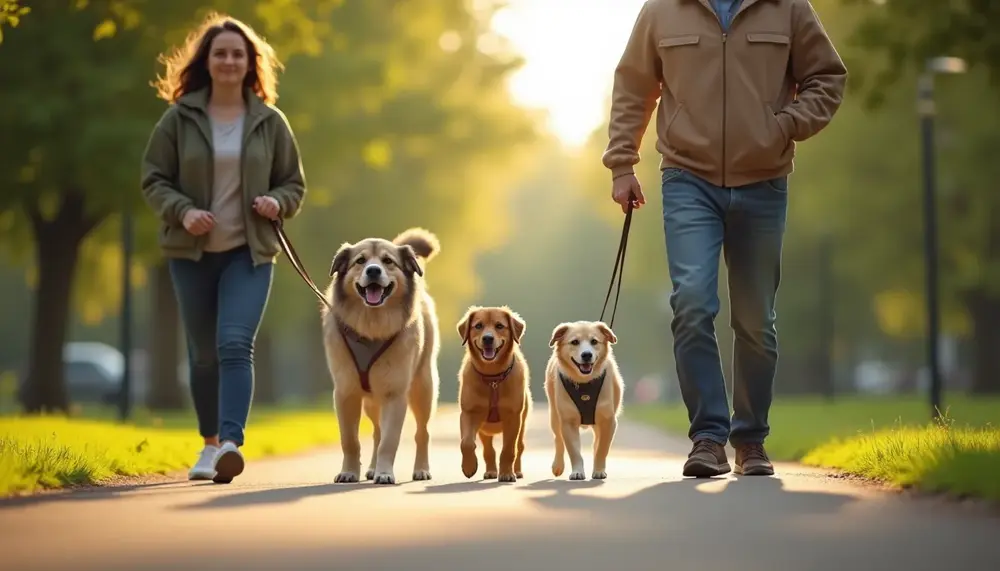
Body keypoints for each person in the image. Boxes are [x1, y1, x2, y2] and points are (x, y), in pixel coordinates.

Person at [603, 0, 846, 477]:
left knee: (756, 319)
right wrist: (622, 164)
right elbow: (633, 86)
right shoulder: (662, 10)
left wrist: (785, 126)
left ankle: (751, 440)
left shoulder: (789, 8)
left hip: (764, 180)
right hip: (687, 178)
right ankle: (709, 438)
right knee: (692, 300)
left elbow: (828, 78)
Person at [140, 13, 307, 483]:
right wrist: (182, 211)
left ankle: (232, 443)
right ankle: (209, 445)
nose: (230, 60)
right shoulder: (179, 119)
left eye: (238, 53)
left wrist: (277, 201)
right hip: (190, 253)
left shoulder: (270, 122)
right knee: (203, 354)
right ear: (206, 61)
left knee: (235, 343)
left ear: (251, 63)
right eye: (221, 53)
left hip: (248, 253)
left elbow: (293, 183)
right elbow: (153, 178)